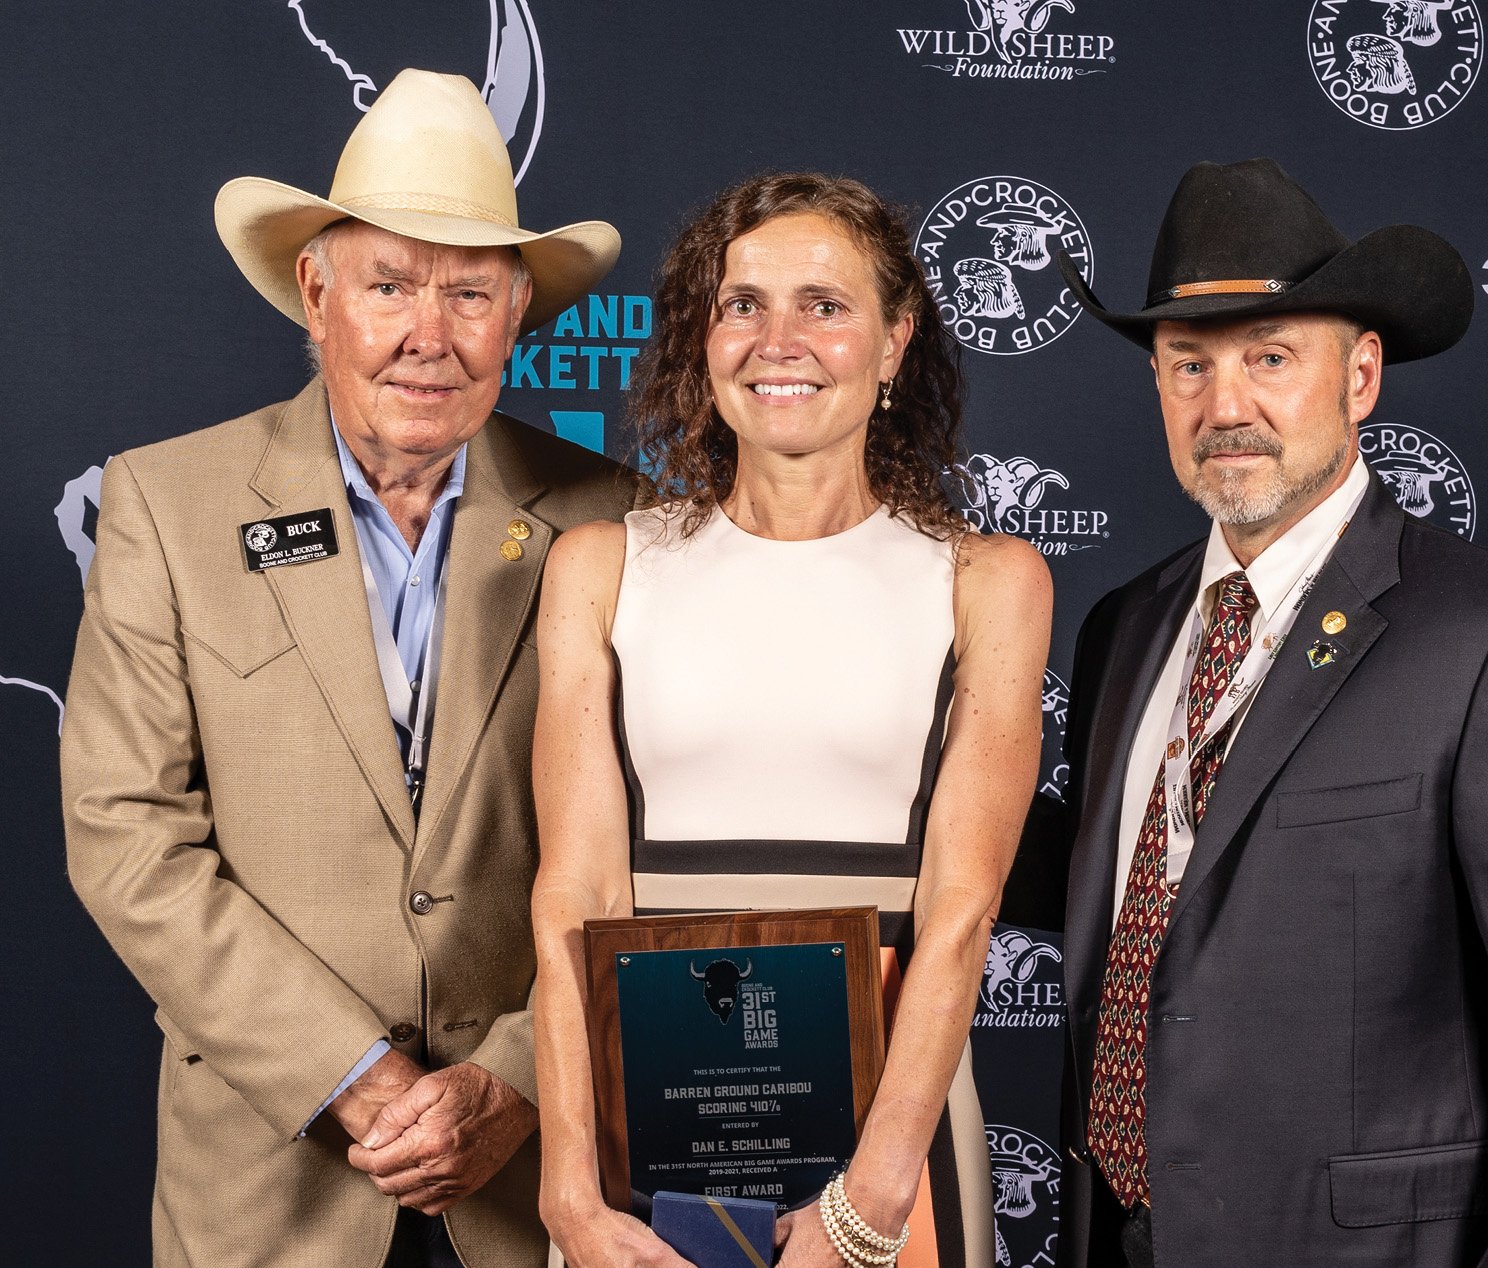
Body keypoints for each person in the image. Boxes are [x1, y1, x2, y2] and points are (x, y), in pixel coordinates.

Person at [60, 70, 635, 1268]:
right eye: (390, 286)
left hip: (537, 1181)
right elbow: (126, 834)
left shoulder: (611, 516)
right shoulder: (166, 504)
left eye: (471, 292)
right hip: (272, 1179)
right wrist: (356, 1075)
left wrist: (517, 1078)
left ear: (518, 314)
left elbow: (650, 836)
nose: (431, 335)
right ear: (315, 295)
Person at [529, 172, 1052, 1267]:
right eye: (742, 304)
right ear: (702, 339)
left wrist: (872, 1196)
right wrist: (572, 1186)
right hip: (647, 1140)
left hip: (888, 1140)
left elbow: (962, 908)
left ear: (897, 340)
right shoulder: (599, 567)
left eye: (824, 304)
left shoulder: (986, 580)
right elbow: (573, 897)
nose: (780, 339)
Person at [1053, 157, 1486, 1266]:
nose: (1225, 405)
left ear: (1362, 376)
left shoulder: (1469, 630)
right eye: (1188, 364)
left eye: (1271, 358)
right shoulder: (1122, 628)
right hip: (1121, 1231)